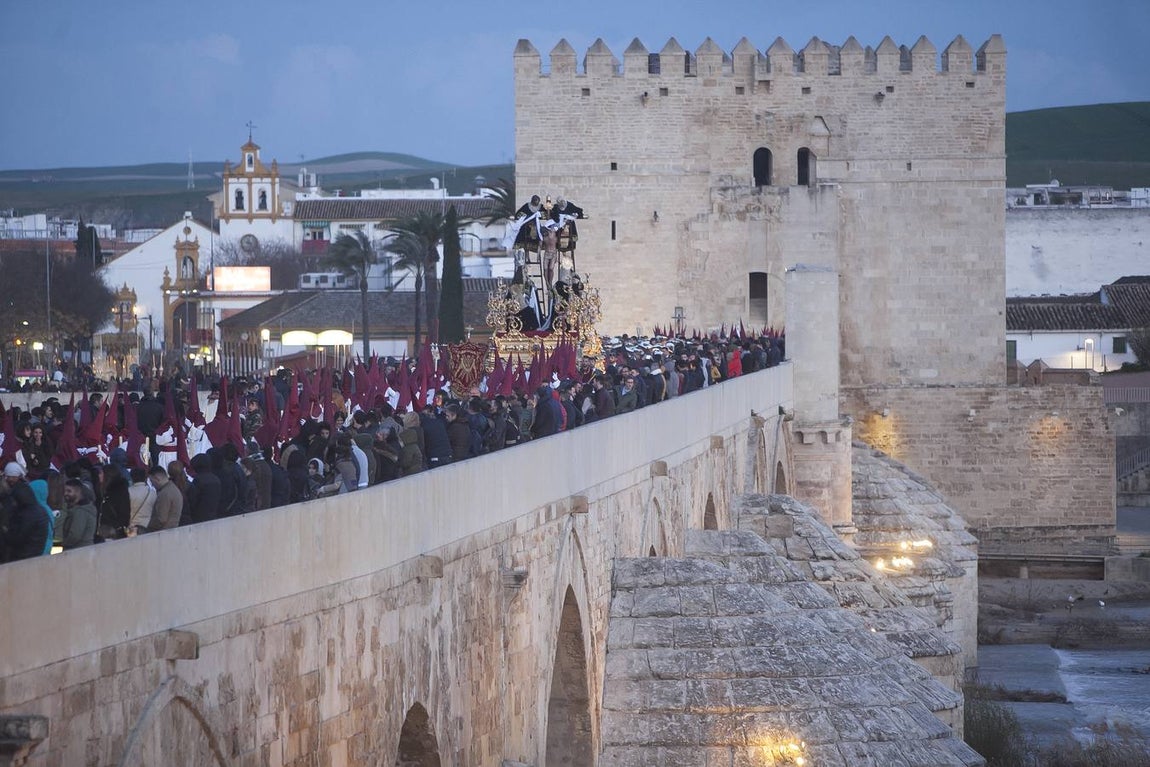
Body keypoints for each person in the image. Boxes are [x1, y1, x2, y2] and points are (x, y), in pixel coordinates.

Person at [1, 462, 49, 561]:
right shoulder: (40, 510)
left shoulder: (28, 514)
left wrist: (5, 530)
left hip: (24, 557)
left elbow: (17, 538)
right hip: (35, 555)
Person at [59, 478, 97, 550]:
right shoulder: (84, 509)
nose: (65, 494)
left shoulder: (81, 511)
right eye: (65, 491)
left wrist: (62, 544)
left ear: (78, 492)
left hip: (78, 551)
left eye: (69, 491)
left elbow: (75, 535)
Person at [146, 465, 182, 531]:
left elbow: (161, 519)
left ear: (157, 479)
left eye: (152, 481)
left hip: (163, 533)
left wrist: (147, 528)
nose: (152, 485)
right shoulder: (174, 489)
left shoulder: (165, 494)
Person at [126, 467, 156, 535]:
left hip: (132, 528)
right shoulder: (152, 492)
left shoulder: (128, 492)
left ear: (132, 478)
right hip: (148, 526)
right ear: (145, 477)